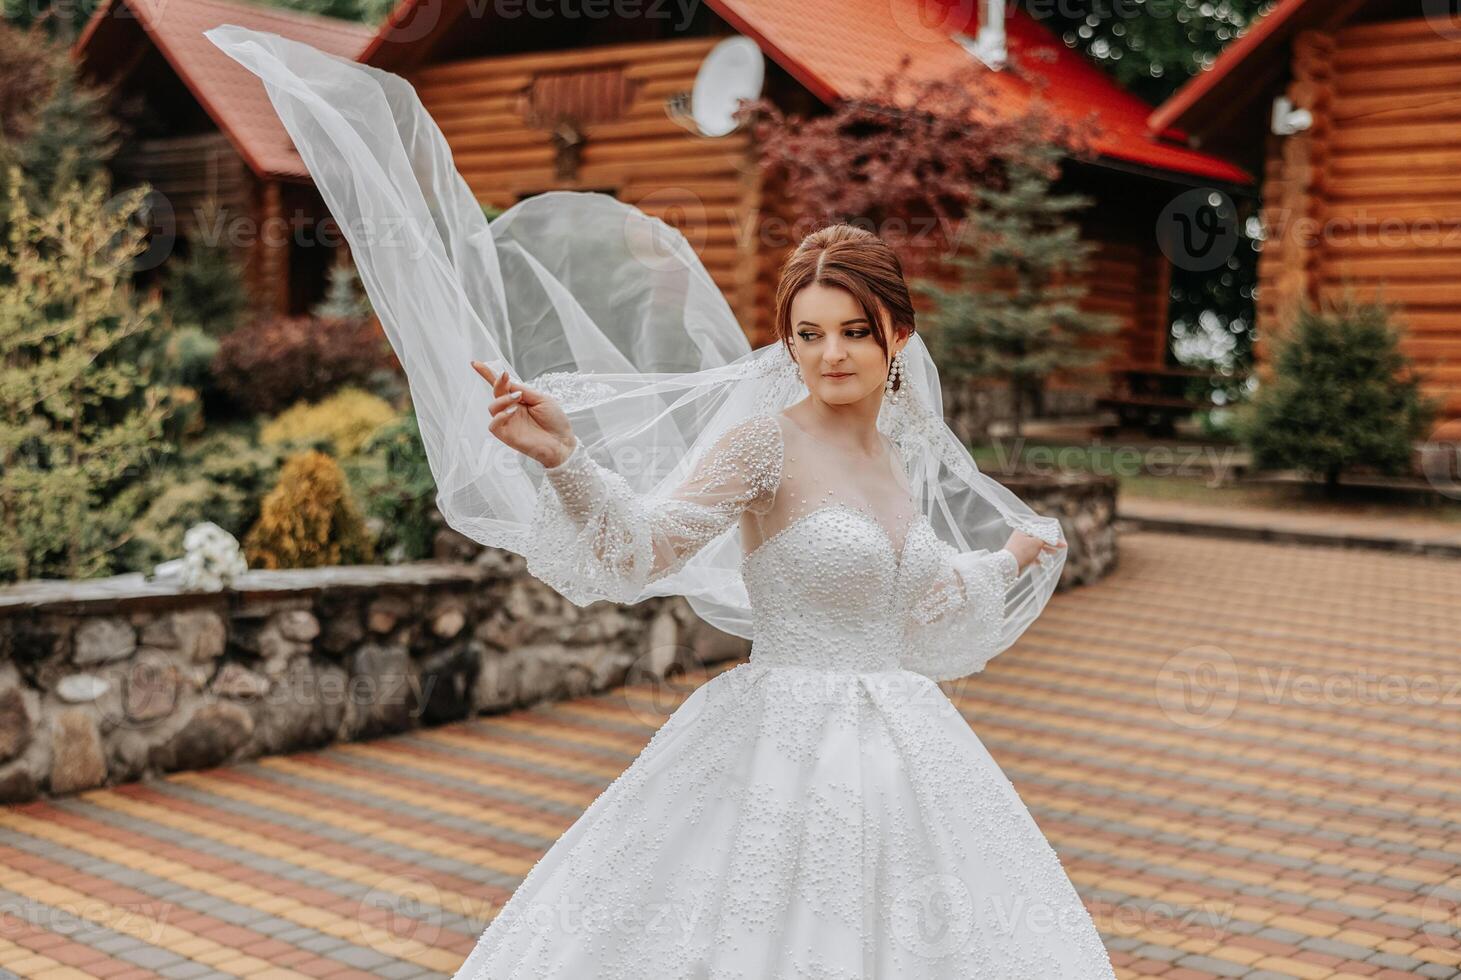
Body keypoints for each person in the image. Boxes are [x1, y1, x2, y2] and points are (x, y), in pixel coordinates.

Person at [199, 24, 1117, 977]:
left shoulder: (898, 458)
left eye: (854, 330)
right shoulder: (763, 443)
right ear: (788, 343)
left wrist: (1010, 556)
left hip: (912, 763)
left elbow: (919, 599)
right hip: (779, 752)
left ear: (898, 336)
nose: (832, 353)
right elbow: (640, 547)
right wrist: (565, 461)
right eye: (809, 333)